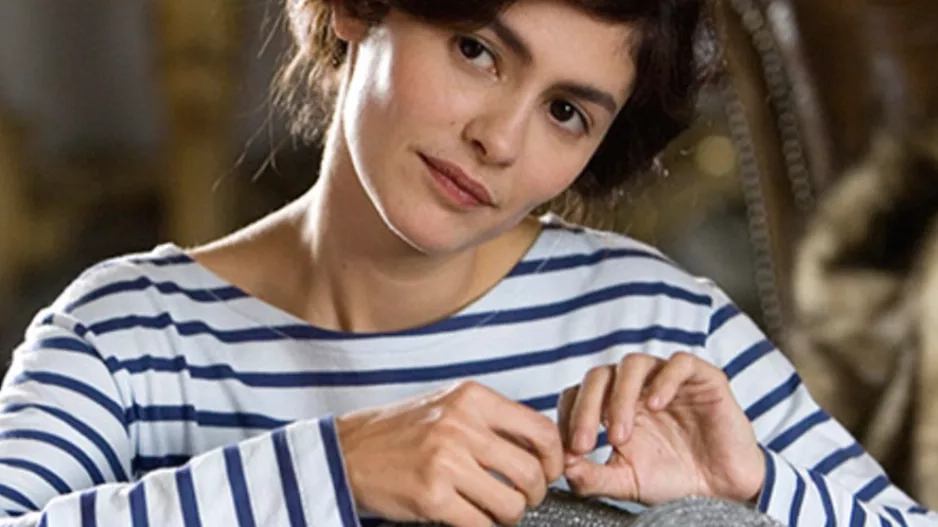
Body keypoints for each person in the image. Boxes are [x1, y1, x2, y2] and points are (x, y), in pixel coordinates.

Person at [0, 0, 933, 525]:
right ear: (357, 10)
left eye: (566, 111)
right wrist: (336, 467)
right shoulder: (123, 333)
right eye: (477, 51)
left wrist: (757, 484)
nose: (499, 139)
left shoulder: (658, 320)